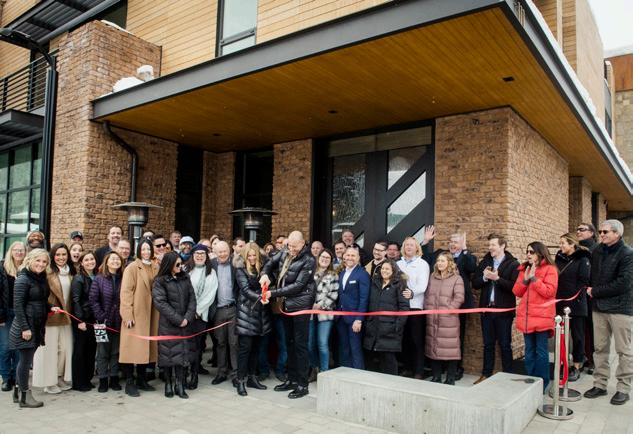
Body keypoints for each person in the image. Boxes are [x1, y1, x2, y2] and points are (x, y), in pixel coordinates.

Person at [260, 230, 316, 399]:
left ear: (302, 243)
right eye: (289, 246)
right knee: (289, 343)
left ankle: (302, 384)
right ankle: (291, 379)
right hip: (286, 305)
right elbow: (270, 263)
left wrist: (272, 293)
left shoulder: (309, 260)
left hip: (300, 306)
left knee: (300, 345)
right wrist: (265, 274)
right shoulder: (285, 251)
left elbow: (297, 286)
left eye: (294, 246)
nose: (290, 249)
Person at [584, 220, 633, 405]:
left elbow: (624, 283)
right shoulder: (597, 250)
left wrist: (595, 291)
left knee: (624, 351)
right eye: (600, 231)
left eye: (605, 232)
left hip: (621, 308)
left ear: (617, 234)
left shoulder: (628, 254)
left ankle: (623, 389)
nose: (601, 234)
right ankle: (600, 385)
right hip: (599, 308)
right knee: (600, 349)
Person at [421, 227, 477, 379]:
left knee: (454, 339)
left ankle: (455, 370)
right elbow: (425, 259)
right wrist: (426, 241)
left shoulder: (466, 256)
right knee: (436, 337)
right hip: (437, 307)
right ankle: (438, 371)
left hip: (457, 308)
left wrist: (465, 249)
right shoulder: (440, 255)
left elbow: (472, 267)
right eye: (451, 241)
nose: (452, 244)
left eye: (456, 242)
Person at [9, 249, 61, 408]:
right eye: (38, 260)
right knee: (25, 362)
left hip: (37, 325)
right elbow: (18, 306)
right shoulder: (23, 279)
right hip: (26, 326)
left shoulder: (40, 277)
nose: (41, 264)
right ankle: (25, 397)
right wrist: (25, 328)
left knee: (24, 361)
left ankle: (17, 392)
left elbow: (41, 300)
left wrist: (50, 307)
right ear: (30, 260)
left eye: (44, 262)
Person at [471, 233, 519, 384]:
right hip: (487, 310)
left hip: (504, 312)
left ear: (502, 246)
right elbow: (475, 284)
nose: (490, 247)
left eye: (493, 245)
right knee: (488, 344)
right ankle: (486, 374)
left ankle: (508, 377)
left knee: (505, 345)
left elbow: (514, 288)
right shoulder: (485, 262)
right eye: (489, 245)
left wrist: (497, 279)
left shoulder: (513, 264)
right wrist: (485, 278)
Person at [513, 242, 557, 392]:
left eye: (531, 252)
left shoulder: (550, 269)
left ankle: (543, 382)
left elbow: (549, 292)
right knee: (529, 351)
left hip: (542, 317)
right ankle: (531, 380)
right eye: (527, 252)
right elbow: (517, 292)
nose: (528, 255)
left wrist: (534, 279)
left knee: (541, 352)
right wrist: (525, 280)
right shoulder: (524, 268)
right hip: (527, 317)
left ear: (540, 253)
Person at [152, 252, 197, 399]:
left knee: (182, 355)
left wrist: (187, 318)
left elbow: (192, 299)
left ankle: (180, 385)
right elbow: (161, 303)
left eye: (180, 263)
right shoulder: (160, 281)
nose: (180, 266)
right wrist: (178, 320)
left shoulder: (185, 278)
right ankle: (168, 384)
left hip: (185, 324)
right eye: (177, 264)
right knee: (168, 356)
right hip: (169, 325)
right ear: (169, 264)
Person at [33, 243, 75, 394]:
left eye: (64, 254)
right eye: (57, 254)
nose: (61, 257)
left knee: (65, 350)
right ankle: (48, 382)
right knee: (49, 351)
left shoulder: (71, 272)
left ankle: (58, 377)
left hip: (66, 317)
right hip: (51, 317)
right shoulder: (47, 272)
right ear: (52, 256)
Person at [119, 238, 159, 397]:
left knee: (146, 348)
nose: (146, 252)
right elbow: (126, 292)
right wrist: (127, 314)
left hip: (152, 313)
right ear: (138, 251)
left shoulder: (156, 266)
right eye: (143, 249)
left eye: (148, 249)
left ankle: (142, 380)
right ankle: (130, 382)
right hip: (136, 313)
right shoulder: (132, 268)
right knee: (131, 348)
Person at [234, 242, 271, 396]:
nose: (251, 258)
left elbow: (270, 279)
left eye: (254, 255)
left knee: (256, 348)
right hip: (246, 313)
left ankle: (252, 377)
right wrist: (261, 297)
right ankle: (240, 380)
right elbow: (245, 290)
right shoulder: (240, 269)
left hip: (260, 313)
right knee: (245, 349)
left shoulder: (263, 268)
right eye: (249, 255)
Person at [425, 253, 465, 385]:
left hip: (449, 319)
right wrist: (428, 308)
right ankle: (436, 376)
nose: (440, 263)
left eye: (442, 261)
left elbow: (459, 298)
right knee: (433, 346)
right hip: (432, 318)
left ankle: (450, 378)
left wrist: (449, 310)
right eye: (438, 261)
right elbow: (427, 295)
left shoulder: (456, 278)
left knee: (451, 349)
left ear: (449, 263)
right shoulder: (433, 277)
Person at [363, 260, 408, 375]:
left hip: (390, 329)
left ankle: (392, 383)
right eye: (383, 268)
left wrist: (397, 326)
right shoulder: (374, 283)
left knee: (389, 359)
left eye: (387, 269)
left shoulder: (400, 285)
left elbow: (404, 307)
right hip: (373, 327)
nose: (384, 271)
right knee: (375, 359)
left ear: (394, 270)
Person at [555, 233, 590, 381]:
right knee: (561, 336)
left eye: (563, 243)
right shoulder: (559, 258)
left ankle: (576, 366)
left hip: (576, 304)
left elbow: (584, 281)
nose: (560, 246)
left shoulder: (583, 259)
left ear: (572, 244)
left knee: (577, 337)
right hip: (560, 303)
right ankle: (562, 363)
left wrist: (571, 296)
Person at [90, 252, 123, 393]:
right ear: (107, 262)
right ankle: (103, 380)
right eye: (112, 259)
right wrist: (101, 316)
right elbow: (93, 300)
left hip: (118, 322)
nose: (115, 261)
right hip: (101, 322)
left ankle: (114, 378)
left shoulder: (123, 278)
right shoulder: (99, 279)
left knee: (116, 351)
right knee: (102, 352)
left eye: (118, 259)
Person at [397, 237, 430, 379]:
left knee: (416, 340)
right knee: (404, 339)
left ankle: (418, 371)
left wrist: (411, 293)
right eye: (406, 245)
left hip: (415, 307)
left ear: (417, 248)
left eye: (411, 245)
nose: (409, 247)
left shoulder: (422, 264)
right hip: (401, 307)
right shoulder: (398, 264)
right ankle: (407, 368)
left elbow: (423, 286)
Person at [187, 243, 218, 387]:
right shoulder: (186, 270)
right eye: (197, 254)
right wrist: (189, 312)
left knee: (197, 346)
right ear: (192, 256)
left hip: (200, 315)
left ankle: (194, 375)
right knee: (186, 345)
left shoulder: (211, 272)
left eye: (202, 254)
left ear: (206, 256)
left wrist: (197, 311)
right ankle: (184, 372)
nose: (199, 256)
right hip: (186, 315)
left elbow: (210, 294)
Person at [336, 246, 370, 370]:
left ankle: (358, 375)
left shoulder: (362, 274)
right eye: (348, 255)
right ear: (344, 257)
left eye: (353, 255)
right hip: (341, 317)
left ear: (358, 258)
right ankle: (345, 374)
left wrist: (359, 319)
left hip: (354, 319)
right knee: (344, 347)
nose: (350, 258)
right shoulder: (342, 273)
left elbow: (364, 298)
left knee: (355, 348)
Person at [210, 241, 239, 386]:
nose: (222, 254)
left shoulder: (235, 264)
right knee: (220, 343)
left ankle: (236, 374)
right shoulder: (211, 265)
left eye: (225, 251)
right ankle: (221, 372)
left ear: (229, 251)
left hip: (233, 309)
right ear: (215, 253)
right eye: (219, 252)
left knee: (234, 343)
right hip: (218, 310)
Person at [308, 249, 339, 381]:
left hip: (325, 315)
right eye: (323, 257)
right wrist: (310, 305)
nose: (325, 259)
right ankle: (314, 368)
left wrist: (320, 305)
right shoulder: (310, 272)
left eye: (328, 258)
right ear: (318, 257)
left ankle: (324, 373)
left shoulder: (334, 275)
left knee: (322, 343)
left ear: (331, 261)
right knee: (309, 345)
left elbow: (334, 295)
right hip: (309, 314)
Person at [0, 241, 26, 392]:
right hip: (6, 312)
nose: (19, 252)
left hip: (21, 313)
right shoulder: (2, 268)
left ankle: (16, 377)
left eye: (21, 250)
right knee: (5, 346)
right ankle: (5, 378)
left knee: (18, 347)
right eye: (16, 250)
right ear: (11, 251)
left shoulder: (27, 269)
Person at [70, 251, 97, 392]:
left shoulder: (97, 276)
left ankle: (87, 379)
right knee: (80, 350)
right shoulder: (78, 278)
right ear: (81, 263)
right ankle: (79, 382)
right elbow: (75, 300)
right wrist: (79, 320)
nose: (90, 262)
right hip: (82, 320)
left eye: (92, 259)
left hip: (93, 319)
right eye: (86, 260)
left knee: (91, 350)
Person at [576, 222, 598, 374]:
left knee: (592, 329)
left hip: (591, 294)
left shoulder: (597, 249)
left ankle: (593, 361)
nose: (578, 232)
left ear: (591, 232)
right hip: (578, 294)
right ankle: (582, 357)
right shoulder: (577, 250)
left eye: (582, 229)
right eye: (577, 229)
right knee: (580, 329)